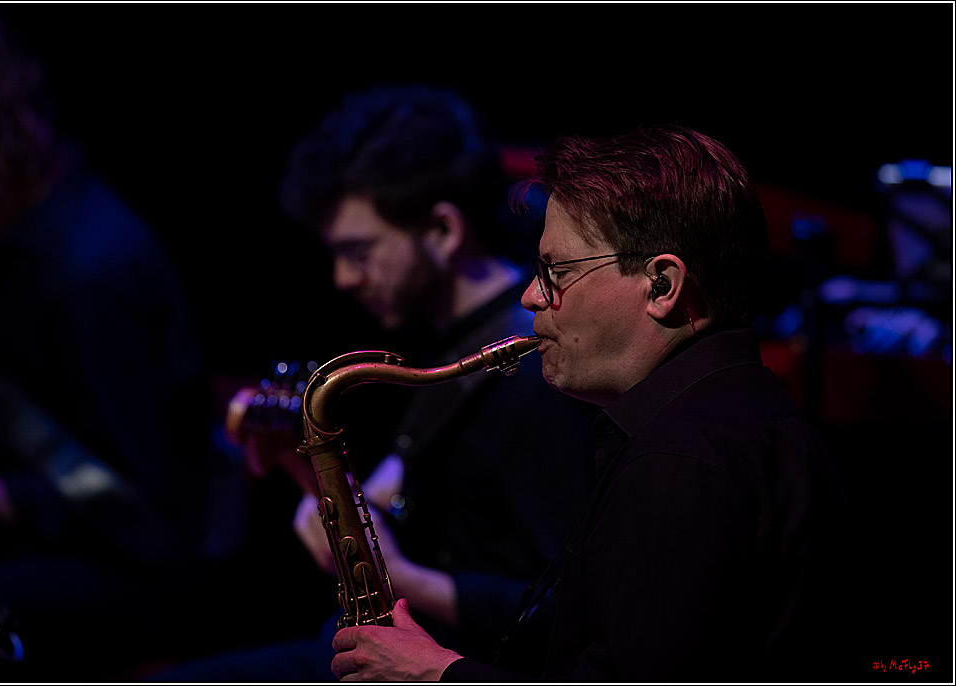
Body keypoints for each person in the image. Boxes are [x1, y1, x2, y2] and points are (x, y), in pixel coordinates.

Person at [329, 124, 857, 682]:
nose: (532, 295)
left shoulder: (680, 463)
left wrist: (439, 674)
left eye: (556, 271)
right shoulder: (731, 417)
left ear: (661, 285)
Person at [147, 85, 598, 681]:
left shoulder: (536, 372)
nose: (342, 278)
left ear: (442, 229)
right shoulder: (443, 337)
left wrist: (411, 584)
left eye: (359, 251)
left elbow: (570, 611)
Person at [0, 5, 239, 680]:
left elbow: (136, 503)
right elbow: (10, 409)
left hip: (133, 568)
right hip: (45, 535)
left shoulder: (88, 269)